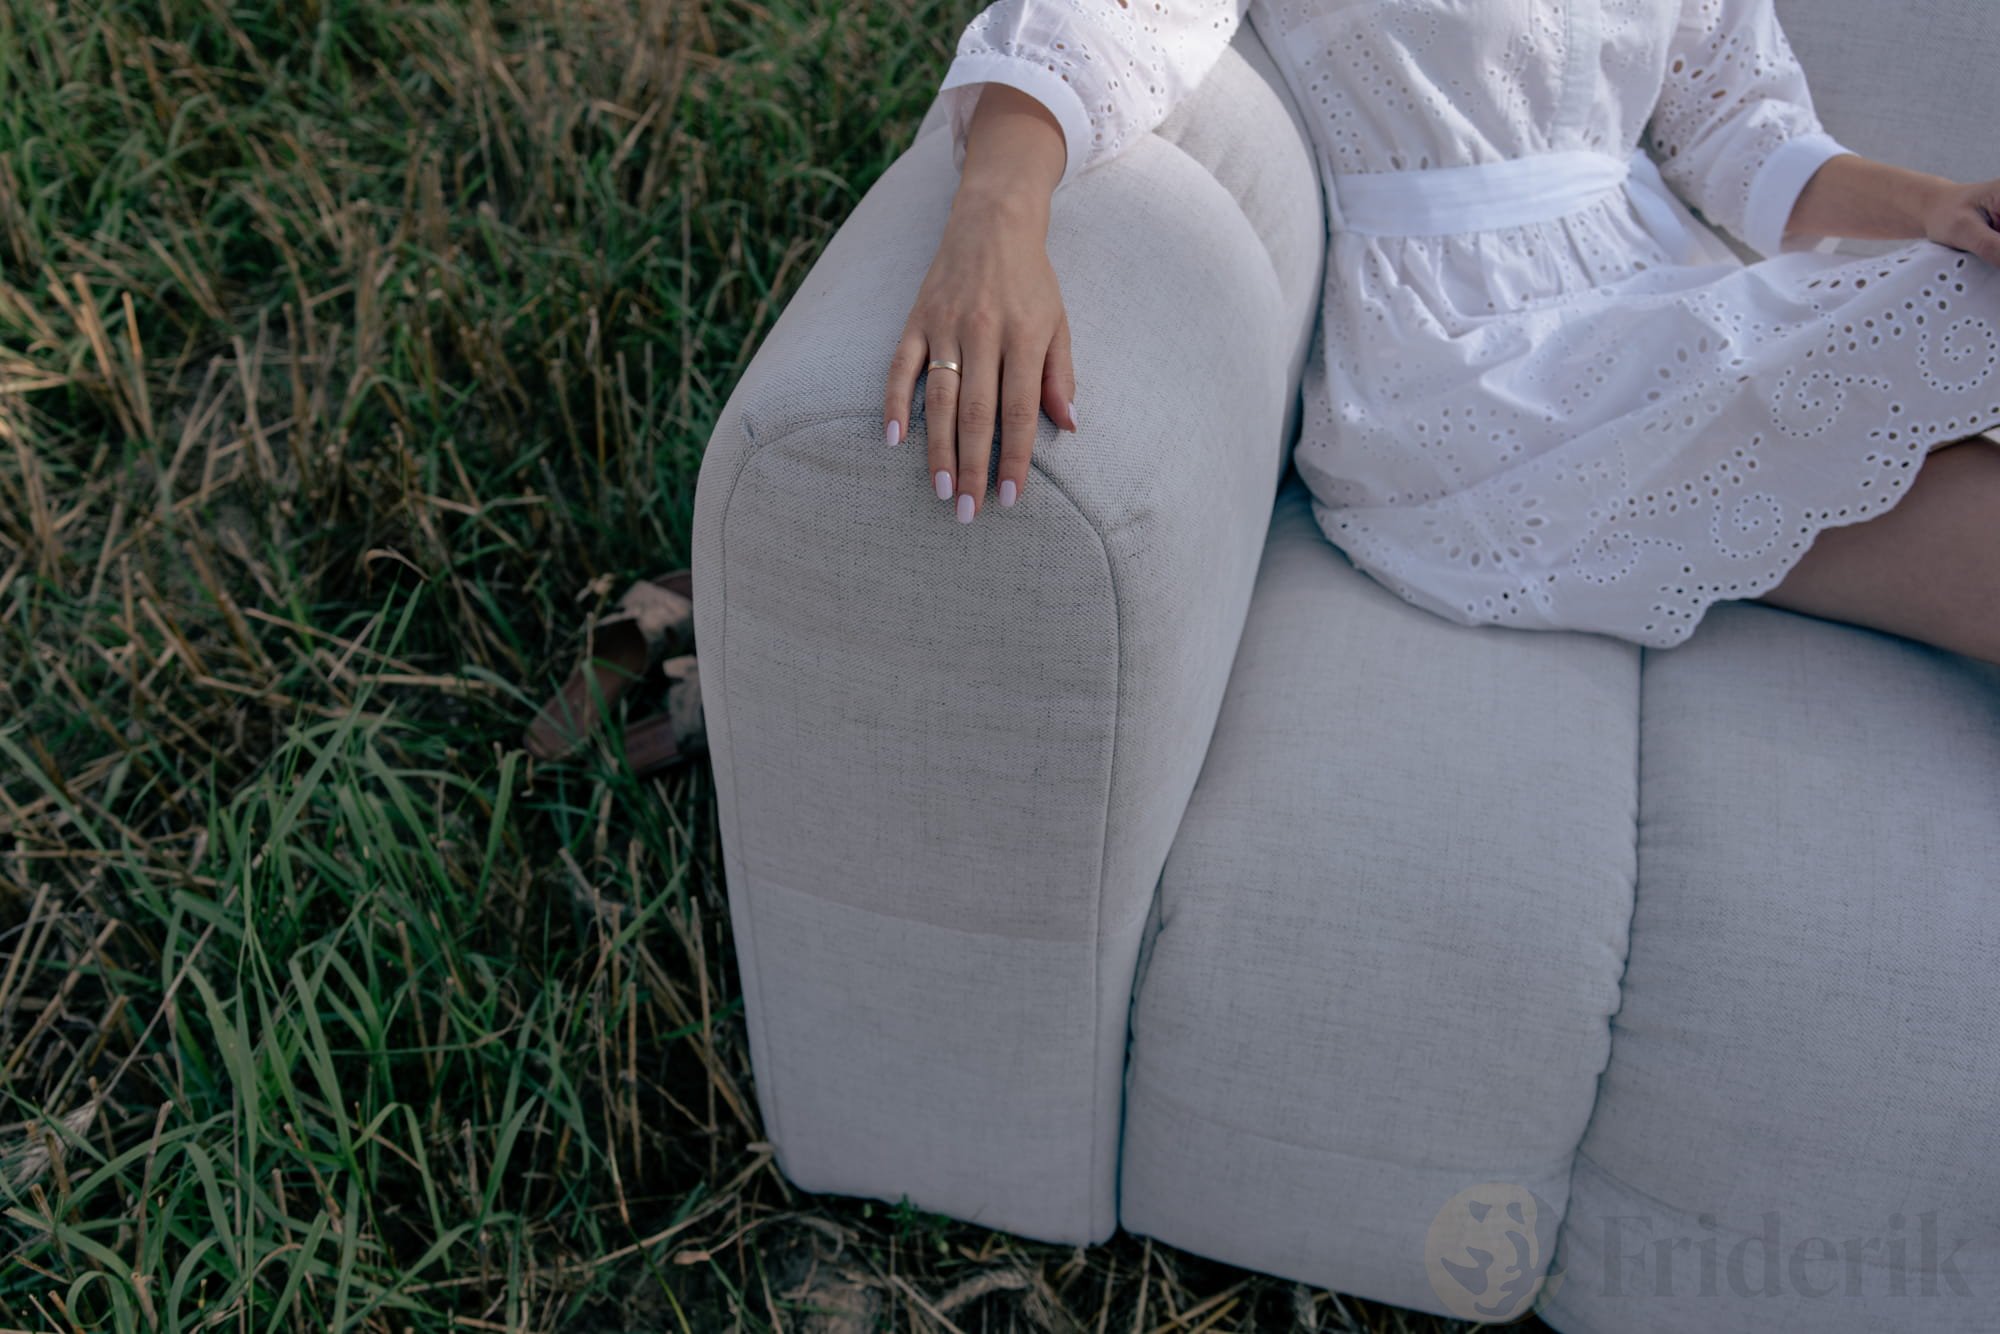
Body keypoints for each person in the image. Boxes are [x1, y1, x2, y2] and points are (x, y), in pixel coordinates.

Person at [880, 0, 2000, 663]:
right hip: (1467, 361)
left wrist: (1940, 207)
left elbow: (1738, 132)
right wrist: (997, 214)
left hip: (1667, 289)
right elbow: (1103, 19)